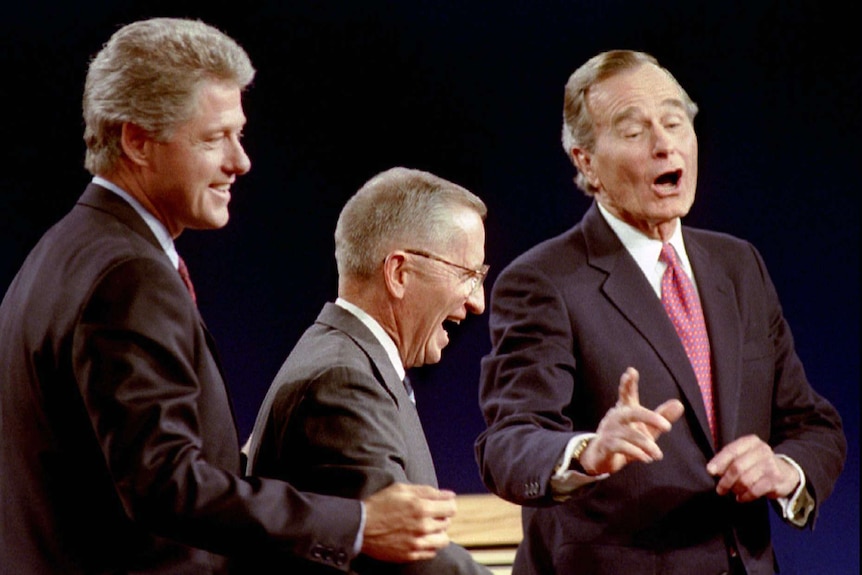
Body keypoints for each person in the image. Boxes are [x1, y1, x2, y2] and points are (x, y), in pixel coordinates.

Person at [0, 18, 458, 574]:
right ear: (136, 140)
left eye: (239, 135)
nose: (240, 161)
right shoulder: (128, 276)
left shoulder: (62, 251)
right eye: (215, 137)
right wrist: (357, 524)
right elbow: (163, 484)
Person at [474, 50, 846, 575]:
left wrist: (783, 469)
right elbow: (509, 441)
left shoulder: (738, 265)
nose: (664, 143)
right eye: (633, 131)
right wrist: (587, 451)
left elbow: (814, 425)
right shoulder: (544, 281)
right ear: (585, 161)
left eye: (675, 122)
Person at [244, 167, 493, 574]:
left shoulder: (350, 361)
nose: (478, 301)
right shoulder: (342, 382)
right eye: (468, 275)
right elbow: (404, 555)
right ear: (399, 273)